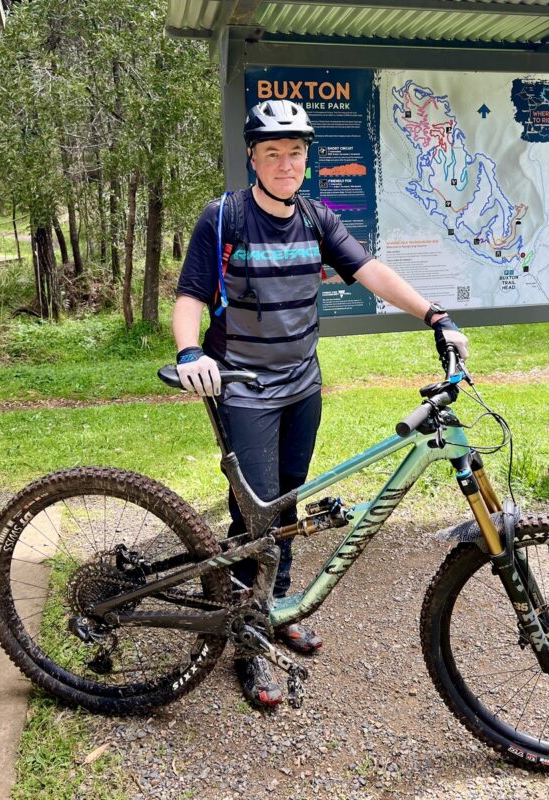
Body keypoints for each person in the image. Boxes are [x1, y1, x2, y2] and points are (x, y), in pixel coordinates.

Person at [172, 100, 468, 708]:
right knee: (256, 516)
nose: (285, 163)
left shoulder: (315, 217)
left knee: (287, 502)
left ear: (307, 159)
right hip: (243, 388)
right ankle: (251, 642)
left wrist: (433, 314)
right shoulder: (223, 218)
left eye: (295, 152)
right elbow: (190, 296)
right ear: (253, 157)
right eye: (272, 152)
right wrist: (187, 352)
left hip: (302, 385)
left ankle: (275, 608)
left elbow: (372, 271)